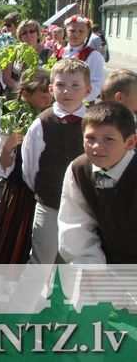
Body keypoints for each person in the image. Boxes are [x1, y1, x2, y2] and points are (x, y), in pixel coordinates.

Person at [21, 59, 90, 265]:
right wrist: (45, 190)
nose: (67, 91)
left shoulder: (93, 123)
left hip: (82, 207)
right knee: (41, 261)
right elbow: (30, 166)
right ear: (51, 89)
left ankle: (59, 298)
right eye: (61, 85)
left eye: (75, 85)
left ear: (88, 90)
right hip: (50, 204)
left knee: (71, 262)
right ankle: (27, 298)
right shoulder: (42, 123)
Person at [58, 101, 137, 263]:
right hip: (106, 265)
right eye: (90, 138)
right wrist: (92, 269)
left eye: (108, 139)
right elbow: (75, 227)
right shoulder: (79, 170)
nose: (96, 146)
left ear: (130, 142)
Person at [0, 70, 52, 265]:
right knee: (13, 240)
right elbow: (3, 164)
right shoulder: (14, 119)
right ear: (26, 95)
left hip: (46, 194)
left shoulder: (53, 118)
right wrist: (8, 147)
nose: (48, 98)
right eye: (42, 94)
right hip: (20, 194)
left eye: (49, 93)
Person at [57, 16, 104, 102]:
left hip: (81, 105)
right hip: (59, 101)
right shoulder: (59, 52)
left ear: (87, 33)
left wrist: (77, 99)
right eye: (72, 31)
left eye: (81, 31)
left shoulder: (93, 55)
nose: (76, 34)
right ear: (65, 32)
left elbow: (96, 84)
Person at [1, 19, 52, 93]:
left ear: (38, 34)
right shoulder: (12, 52)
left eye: (31, 31)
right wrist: (25, 92)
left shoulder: (49, 53)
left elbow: (52, 77)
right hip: (16, 95)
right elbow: (6, 79)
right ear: (20, 37)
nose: (28, 34)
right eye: (24, 33)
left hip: (41, 95)